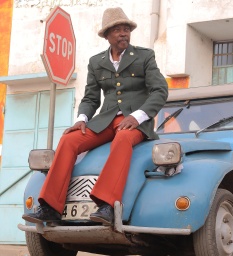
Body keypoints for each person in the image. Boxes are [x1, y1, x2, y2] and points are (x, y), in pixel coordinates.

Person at [22, 7, 168, 225]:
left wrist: (138, 116)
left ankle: (107, 205)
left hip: (135, 122)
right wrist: (81, 119)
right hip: (104, 121)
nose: (123, 33)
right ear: (107, 35)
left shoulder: (144, 56)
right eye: (117, 29)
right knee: (69, 140)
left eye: (126, 29)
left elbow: (160, 90)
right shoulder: (96, 62)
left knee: (123, 138)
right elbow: (91, 98)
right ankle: (51, 207)